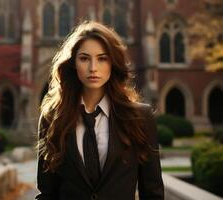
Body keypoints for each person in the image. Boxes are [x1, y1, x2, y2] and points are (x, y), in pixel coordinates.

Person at [36, 21, 164, 200]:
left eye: (102, 58)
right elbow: (47, 193)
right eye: (84, 58)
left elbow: (152, 193)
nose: (93, 68)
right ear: (73, 63)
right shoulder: (52, 117)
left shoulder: (140, 117)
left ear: (113, 63)